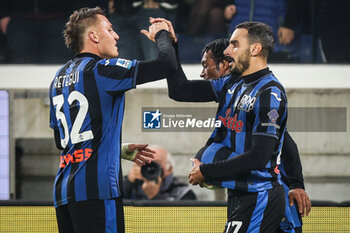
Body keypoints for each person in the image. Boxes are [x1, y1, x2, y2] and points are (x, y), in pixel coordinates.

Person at [156, 18, 292, 232]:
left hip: (259, 195)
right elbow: (180, 90)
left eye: (234, 44)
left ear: (255, 49)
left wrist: (207, 171)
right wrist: (170, 44)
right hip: (239, 193)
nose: (228, 51)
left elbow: (260, 156)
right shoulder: (232, 83)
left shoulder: (269, 93)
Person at [49, 7, 177, 233]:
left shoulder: (58, 78)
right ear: (93, 36)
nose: (116, 35)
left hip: (63, 193)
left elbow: (64, 141)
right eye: (109, 29)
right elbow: (167, 65)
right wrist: (162, 34)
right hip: (98, 190)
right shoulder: (103, 69)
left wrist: (116, 148)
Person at [200, 38, 311, 232]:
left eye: (205, 66)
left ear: (225, 66)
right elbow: (179, 90)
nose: (202, 74)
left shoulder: (262, 93)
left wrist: (297, 184)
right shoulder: (235, 95)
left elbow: (286, 144)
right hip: (251, 194)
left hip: (271, 192)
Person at [124, 145, 197, 201]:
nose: (149, 168)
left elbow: (180, 219)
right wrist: (129, 182)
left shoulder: (182, 192)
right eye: (146, 163)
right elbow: (116, 208)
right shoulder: (135, 184)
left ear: (169, 169)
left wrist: (155, 197)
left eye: (156, 163)